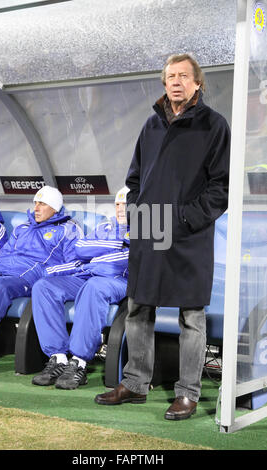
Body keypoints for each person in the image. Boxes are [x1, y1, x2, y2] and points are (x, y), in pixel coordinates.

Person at [94, 53, 231, 420]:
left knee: (191, 315)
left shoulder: (214, 126)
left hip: (188, 235)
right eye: (170, 76)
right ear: (164, 82)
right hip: (148, 230)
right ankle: (135, 384)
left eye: (184, 76)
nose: (176, 81)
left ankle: (187, 393)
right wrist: (140, 219)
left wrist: (184, 220)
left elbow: (221, 189)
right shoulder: (150, 126)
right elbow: (134, 180)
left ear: (197, 83)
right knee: (139, 307)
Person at [0, 185, 81, 371]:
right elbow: (4, 252)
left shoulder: (68, 229)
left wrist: (44, 272)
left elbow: (76, 262)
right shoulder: (22, 227)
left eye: (42, 204)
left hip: (24, 278)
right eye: (35, 203)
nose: (36, 208)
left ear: (55, 207)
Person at [31, 186, 130, 389]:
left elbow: (126, 259)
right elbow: (81, 248)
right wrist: (115, 244)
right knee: (43, 287)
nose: (120, 208)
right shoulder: (105, 226)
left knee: (93, 287)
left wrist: (96, 254)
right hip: (87, 275)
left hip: (118, 280)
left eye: (126, 204)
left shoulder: (144, 228)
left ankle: (79, 362)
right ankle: (58, 358)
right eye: (117, 204)